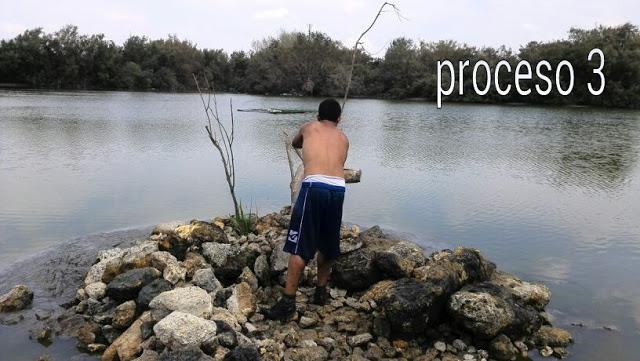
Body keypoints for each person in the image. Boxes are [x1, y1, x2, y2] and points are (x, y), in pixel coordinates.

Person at [266, 98, 349, 321]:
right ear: (339, 119)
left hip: (314, 188)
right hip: (338, 190)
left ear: (318, 116)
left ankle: (288, 302)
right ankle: (321, 293)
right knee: (328, 245)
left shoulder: (308, 127)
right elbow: (340, 162)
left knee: (300, 247)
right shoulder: (344, 138)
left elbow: (295, 143)